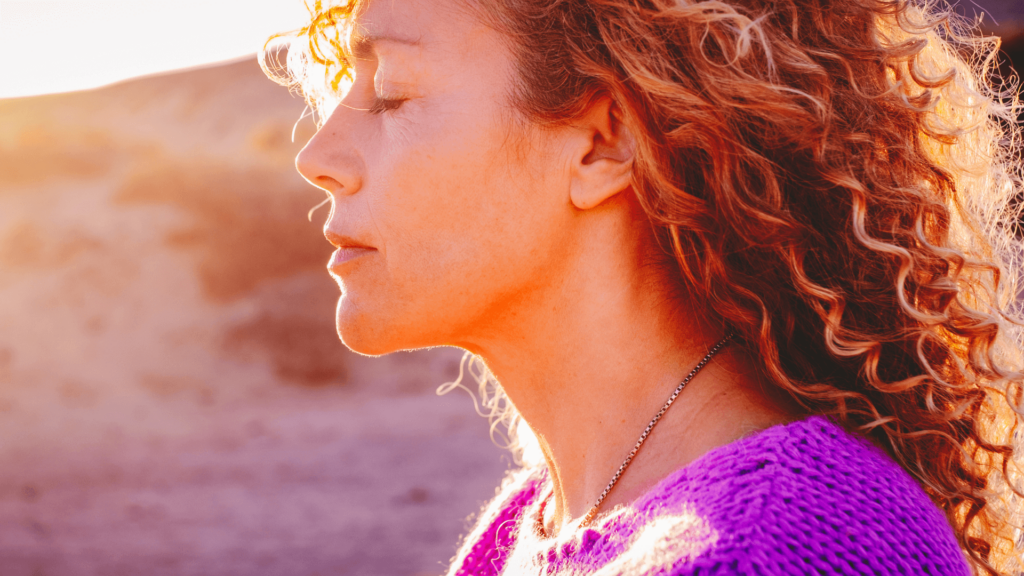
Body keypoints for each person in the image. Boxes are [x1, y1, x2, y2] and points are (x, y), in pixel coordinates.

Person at [262, 0, 1024, 573]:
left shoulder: (784, 542)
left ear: (602, 145)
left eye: (391, 92)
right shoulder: (523, 533)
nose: (318, 154)